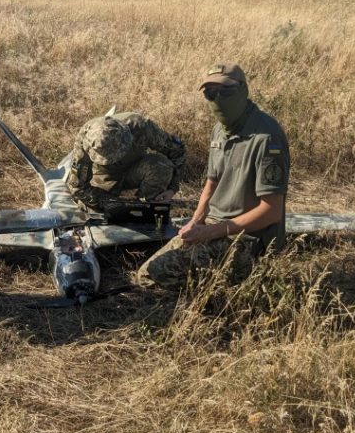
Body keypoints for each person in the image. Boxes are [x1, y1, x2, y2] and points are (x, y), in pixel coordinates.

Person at [137, 62, 289, 290]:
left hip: (248, 239)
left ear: (243, 90)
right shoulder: (220, 130)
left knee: (158, 276)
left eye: (225, 91)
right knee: (146, 273)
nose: (217, 98)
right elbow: (212, 181)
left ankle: (223, 296)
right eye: (210, 93)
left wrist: (209, 232)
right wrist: (195, 222)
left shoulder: (266, 138)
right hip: (214, 228)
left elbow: (271, 211)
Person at [66, 111, 186, 213]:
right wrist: (109, 204)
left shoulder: (141, 127)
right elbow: (77, 186)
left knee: (161, 165)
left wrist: (172, 188)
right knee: (94, 209)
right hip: (103, 178)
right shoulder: (86, 137)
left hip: (134, 169)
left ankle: (149, 209)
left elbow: (177, 151)